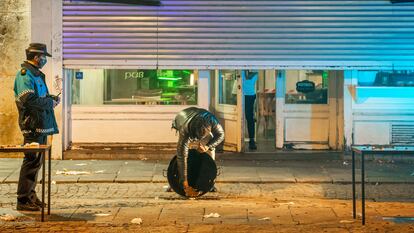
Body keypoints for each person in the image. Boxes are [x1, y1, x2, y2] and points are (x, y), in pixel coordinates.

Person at [13, 43, 60, 211]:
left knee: (37, 162)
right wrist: (49, 102)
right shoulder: (25, 75)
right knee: (31, 161)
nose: (45, 60)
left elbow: (40, 96)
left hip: (41, 124)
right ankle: (23, 200)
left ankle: (30, 196)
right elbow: (29, 100)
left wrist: (50, 98)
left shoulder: (37, 75)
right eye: (43, 57)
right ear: (36, 57)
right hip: (32, 125)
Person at [171, 107, 225, 197]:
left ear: (209, 128)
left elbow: (221, 135)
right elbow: (182, 156)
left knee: (210, 152)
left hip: (200, 122)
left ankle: (209, 181)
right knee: (184, 154)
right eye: (197, 138)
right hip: (185, 122)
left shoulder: (212, 120)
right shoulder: (185, 131)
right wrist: (184, 183)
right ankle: (177, 180)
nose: (198, 140)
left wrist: (208, 146)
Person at [243, 70, 258, 150]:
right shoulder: (242, 70)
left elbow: (248, 76)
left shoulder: (255, 69)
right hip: (241, 94)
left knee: (249, 118)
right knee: (243, 118)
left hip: (250, 95)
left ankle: (251, 140)